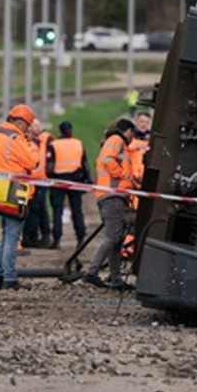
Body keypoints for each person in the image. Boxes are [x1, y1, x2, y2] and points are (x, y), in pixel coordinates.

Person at [0, 104, 39, 290]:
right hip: (16, 191)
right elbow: (33, 161)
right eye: (28, 125)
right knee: (12, 237)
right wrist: (31, 143)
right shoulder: (16, 139)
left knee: (5, 235)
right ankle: (9, 277)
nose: (28, 129)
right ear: (21, 122)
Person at [82, 118, 137, 290]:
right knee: (113, 236)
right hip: (111, 195)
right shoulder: (116, 140)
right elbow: (107, 159)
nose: (132, 137)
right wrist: (121, 175)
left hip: (115, 196)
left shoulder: (117, 142)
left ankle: (115, 279)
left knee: (117, 238)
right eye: (132, 133)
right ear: (127, 131)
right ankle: (92, 272)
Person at [46, 121, 89, 248]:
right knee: (77, 209)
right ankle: (80, 238)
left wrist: (49, 177)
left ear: (59, 130)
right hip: (75, 179)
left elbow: (50, 166)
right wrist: (87, 180)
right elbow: (85, 163)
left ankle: (57, 239)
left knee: (57, 211)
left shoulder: (54, 144)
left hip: (58, 180)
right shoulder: (78, 143)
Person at [22, 119, 53, 248]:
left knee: (36, 209)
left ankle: (35, 237)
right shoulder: (31, 142)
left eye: (36, 127)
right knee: (35, 209)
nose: (35, 129)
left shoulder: (42, 141)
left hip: (39, 179)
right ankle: (34, 236)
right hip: (31, 180)